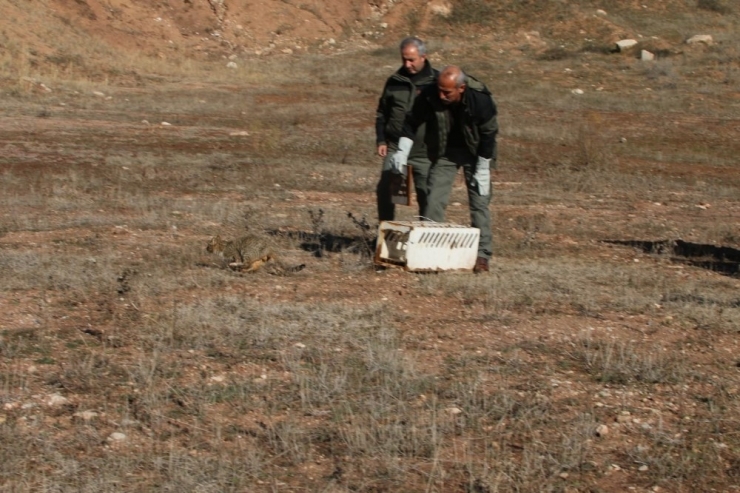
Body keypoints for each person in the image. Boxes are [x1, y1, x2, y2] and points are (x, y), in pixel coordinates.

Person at [388, 65, 498, 273]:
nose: (441, 95)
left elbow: (489, 134)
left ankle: (482, 255)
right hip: (446, 152)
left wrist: (483, 168)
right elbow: (411, 122)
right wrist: (402, 151)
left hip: (477, 153)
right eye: (439, 89)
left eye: (447, 92)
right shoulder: (431, 94)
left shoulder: (480, 100)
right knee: (433, 196)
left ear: (462, 88)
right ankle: (430, 251)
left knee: (479, 201)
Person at [375, 37, 439, 221]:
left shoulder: (436, 81)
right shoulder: (394, 81)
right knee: (387, 191)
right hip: (395, 147)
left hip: (424, 151)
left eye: (411, 59)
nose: (407, 64)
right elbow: (382, 112)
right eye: (404, 59)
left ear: (423, 57)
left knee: (427, 195)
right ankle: (385, 236)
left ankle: (428, 239)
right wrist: (381, 139)